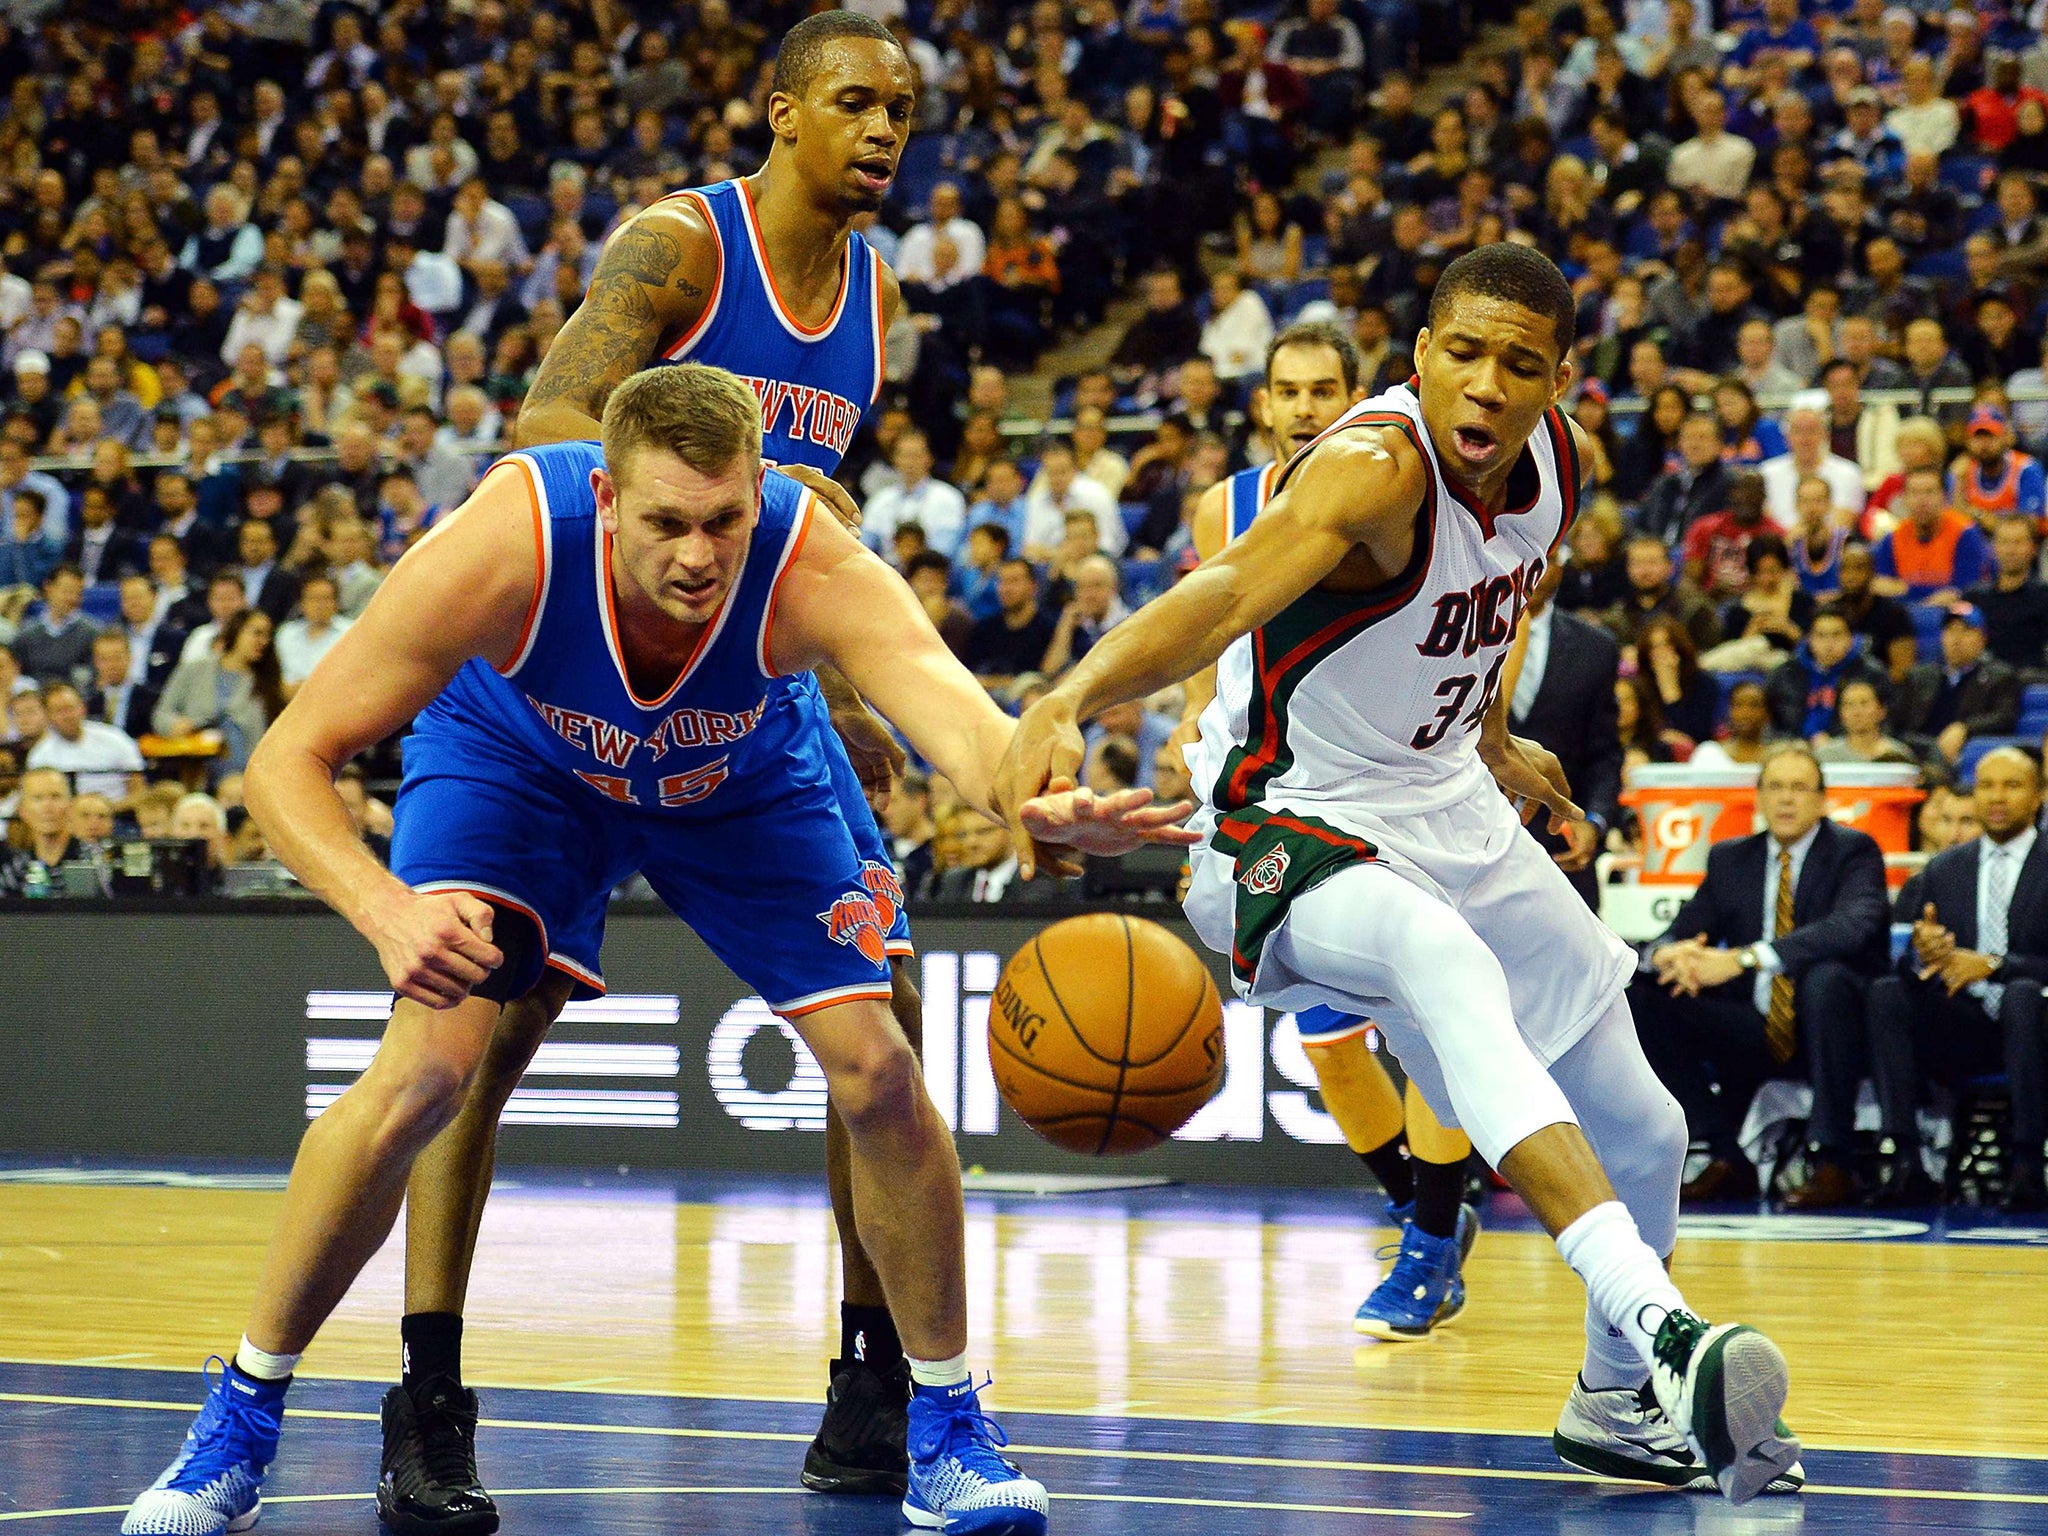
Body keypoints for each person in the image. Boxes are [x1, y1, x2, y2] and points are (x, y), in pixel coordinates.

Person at [121, 366, 1191, 1536]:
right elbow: (283, 762)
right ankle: (236, 1426)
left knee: (878, 1067)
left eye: (723, 521)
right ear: (610, 503)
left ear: (757, 496)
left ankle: (945, 1435)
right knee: (431, 1065)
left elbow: (955, 713)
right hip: (515, 760)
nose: (698, 554)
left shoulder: (802, 557)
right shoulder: (511, 543)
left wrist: (1025, 798)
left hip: (733, 776)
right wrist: (387, 910)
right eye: (669, 524)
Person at [996, 245, 1803, 1503]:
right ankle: (1663, 1330)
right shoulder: (1370, 471)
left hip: (1448, 803)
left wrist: (1487, 734)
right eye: (1463, 355)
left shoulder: (1561, 468)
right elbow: (1216, 594)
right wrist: (1069, 693)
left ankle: (1608, 1403)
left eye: (1519, 366)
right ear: (1417, 356)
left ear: (1558, 381)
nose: (1486, 387)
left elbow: (1491, 598)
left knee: (1648, 1127)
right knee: (1439, 963)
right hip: (1282, 821)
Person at [463, 15, 944, 1509]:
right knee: (490, 1033)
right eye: (856, 101)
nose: (884, 128)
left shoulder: (872, 287)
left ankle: (870, 1383)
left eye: (905, 110)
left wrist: (845, 682)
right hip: (582, 684)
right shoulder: (681, 246)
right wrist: (758, 479)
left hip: (741, 702)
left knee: (887, 1012)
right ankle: (430, 1380)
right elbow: (542, 421)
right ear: (783, 110)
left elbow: (793, 553)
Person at [1173, 317, 1484, 1343]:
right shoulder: (1221, 509)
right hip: (1267, 795)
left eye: (1322, 388)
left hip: (1380, 780)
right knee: (1332, 1046)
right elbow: (1205, 632)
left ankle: (1428, 1243)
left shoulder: (1399, 491)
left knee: (1424, 1019)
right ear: (1261, 403)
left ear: (1355, 398)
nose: (1304, 405)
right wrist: (1189, 759)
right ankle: (1417, 1207)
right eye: (1286, 389)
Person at [1630, 742, 1889, 1206]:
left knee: (1825, 979)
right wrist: (1672, 956)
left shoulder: (1854, 851)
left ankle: (1834, 1161)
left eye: (1798, 788)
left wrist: (1746, 957)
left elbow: (1850, 928)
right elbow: (1680, 931)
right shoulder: (1731, 858)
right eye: (1775, 788)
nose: (1786, 799)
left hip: (1834, 1027)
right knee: (1647, 997)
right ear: (1759, 798)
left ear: (1822, 799)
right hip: (1754, 1023)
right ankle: (1727, 1154)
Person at [1867, 747, 2048, 1212]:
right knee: (1888, 993)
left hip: (2036, 1023)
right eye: (1987, 785)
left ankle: (2028, 1165)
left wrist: (1995, 965)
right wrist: (1923, 954)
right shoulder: (1945, 868)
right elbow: (1907, 952)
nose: (1997, 797)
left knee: (2023, 997)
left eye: (2013, 785)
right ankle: (1906, 1158)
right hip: (1964, 1023)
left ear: (2039, 795)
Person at [1511, 556, 1624, 910]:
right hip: (1468, 830)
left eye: (1548, 555)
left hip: (1560, 837)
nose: (1534, 564)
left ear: (1561, 566)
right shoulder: (1462, 633)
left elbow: (1604, 752)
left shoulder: (1597, 648)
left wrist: (1595, 820)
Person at [1892, 602, 2021, 766]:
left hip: (1965, 756)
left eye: (1966, 630)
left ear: (1982, 639)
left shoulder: (2000, 676)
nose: (1956, 639)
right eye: (1950, 630)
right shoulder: (1918, 676)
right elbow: (1895, 721)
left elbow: (2004, 716)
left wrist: (1964, 728)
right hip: (1916, 751)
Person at [1871, 467, 1991, 605]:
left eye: (1929, 492)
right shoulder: (1893, 537)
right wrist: (1930, 597)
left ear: (1944, 497)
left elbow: (1966, 591)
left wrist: (1904, 590)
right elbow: (1882, 587)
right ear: (1904, 499)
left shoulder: (1965, 534)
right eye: (1914, 493)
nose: (1922, 501)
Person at [23, 681, 145, 804]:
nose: (67, 716)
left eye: (70, 708)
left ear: (83, 708)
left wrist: (102, 812)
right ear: (48, 716)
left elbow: (139, 790)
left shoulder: (114, 737)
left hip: (119, 814)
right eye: (59, 711)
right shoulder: (40, 755)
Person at [1965, 516, 2048, 673]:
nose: (2010, 550)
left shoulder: (2044, 597)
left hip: (2030, 682)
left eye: (2018, 542)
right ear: (1993, 548)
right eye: (2004, 542)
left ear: (2033, 548)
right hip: (1984, 684)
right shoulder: (1973, 598)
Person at [1813, 677, 1915, 765]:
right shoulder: (1825, 757)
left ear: (1881, 711)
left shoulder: (1899, 755)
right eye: (1849, 704)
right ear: (1840, 713)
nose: (1857, 712)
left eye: (1864, 703)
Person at [1691, 680, 1774, 768]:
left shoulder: (1777, 756)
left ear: (1768, 713)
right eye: (1738, 705)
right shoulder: (1710, 754)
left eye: (1754, 705)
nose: (1744, 713)